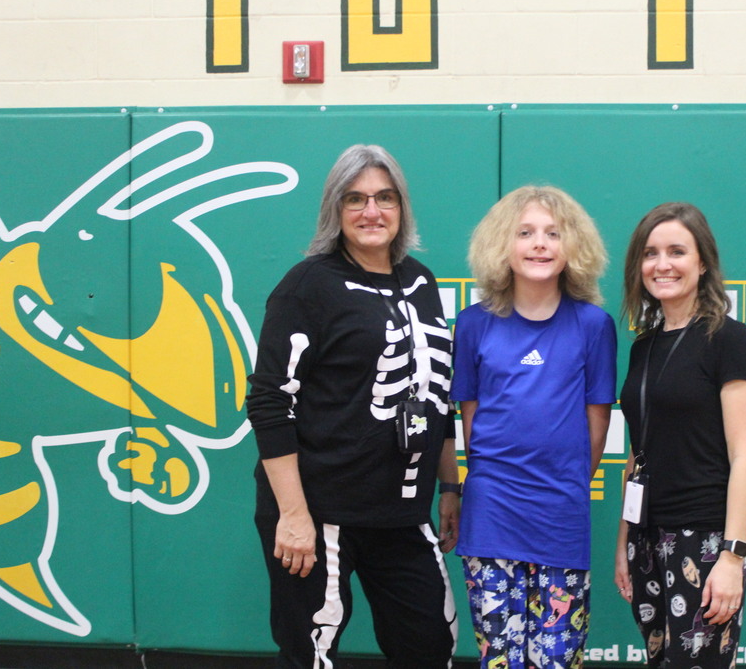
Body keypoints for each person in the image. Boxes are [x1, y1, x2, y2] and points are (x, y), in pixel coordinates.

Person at [246, 144, 460, 668]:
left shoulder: (420, 281)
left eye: (385, 198)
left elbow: (434, 394)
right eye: (356, 199)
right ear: (335, 211)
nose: (372, 212)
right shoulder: (306, 287)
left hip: (403, 513)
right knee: (311, 655)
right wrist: (294, 516)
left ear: (402, 208)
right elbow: (270, 402)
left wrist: (450, 485)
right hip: (320, 514)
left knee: (432, 645)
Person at [451, 185, 617, 668]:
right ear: (502, 245)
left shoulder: (593, 325)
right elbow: (471, 419)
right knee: (500, 657)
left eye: (552, 233)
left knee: (557, 659)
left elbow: (597, 421)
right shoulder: (473, 324)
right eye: (525, 233)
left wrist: (562, 487)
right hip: (491, 516)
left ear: (573, 247)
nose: (539, 243)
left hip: (560, 517)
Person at [614, 202, 746, 668]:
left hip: (704, 539)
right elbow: (638, 456)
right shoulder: (644, 346)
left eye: (677, 251)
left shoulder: (729, 339)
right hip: (646, 537)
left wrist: (732, 557)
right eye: (650, 253)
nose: (662, 264)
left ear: (702, 263)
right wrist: (624, 542)